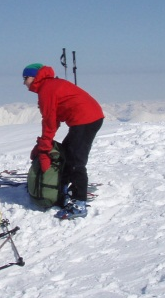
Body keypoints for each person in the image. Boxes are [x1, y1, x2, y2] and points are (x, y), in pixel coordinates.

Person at [23, 63, 104, 217]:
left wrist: (44, 145)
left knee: (75, 161)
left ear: (35, 77)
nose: (24, 82)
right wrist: (43, 143)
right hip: (87, 118)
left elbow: (50, 121)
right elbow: (54, 119)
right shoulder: (50, 85)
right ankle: (63, 187)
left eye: (25, 78)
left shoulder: (47, 90)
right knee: (67, 153)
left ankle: (80, 204)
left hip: (86, 119)